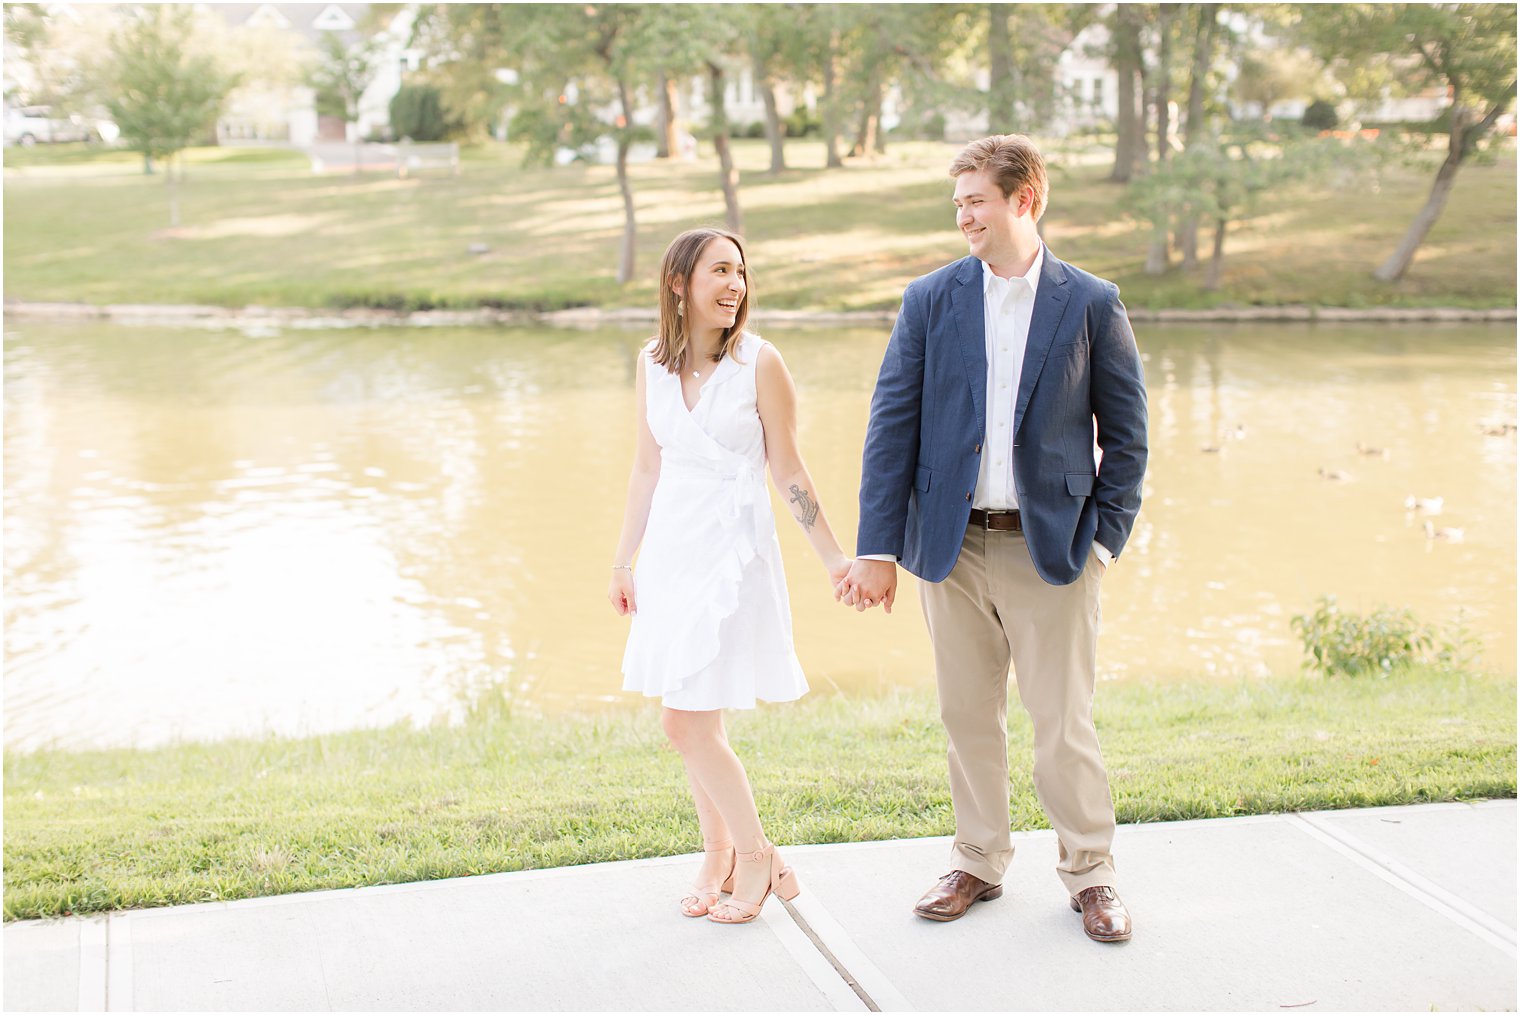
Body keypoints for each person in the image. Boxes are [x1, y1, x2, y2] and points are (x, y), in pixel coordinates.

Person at [836, 134, 1148, 942]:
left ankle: (1092, 872)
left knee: (1063, 722)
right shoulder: (930, 300)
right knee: (967, 714)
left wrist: (1103, 543)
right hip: (952, 547)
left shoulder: (1090, 302)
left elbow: (1130, 439)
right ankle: (977, 858)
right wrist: (878, 547)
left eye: (976, 199)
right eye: (959, 202)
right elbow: (889, 429)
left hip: (1055, 551)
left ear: (1024, 199)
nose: (964, 215)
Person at [609, 227, 852, 924]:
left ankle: (757, 856)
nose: (734, 284)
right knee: (692, 716)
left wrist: (834, 557)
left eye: (740, 272)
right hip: (670, 555)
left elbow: (789, 468)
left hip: (732, 554)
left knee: (683, 722)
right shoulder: (651, 364)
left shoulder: (759, 362)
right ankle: (716, 852)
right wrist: (623, 559)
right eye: (719, 270)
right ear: (678, 282)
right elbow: (646, 467)